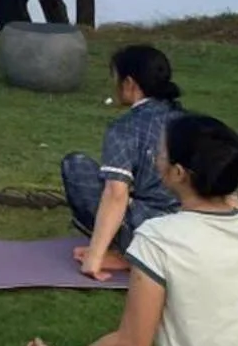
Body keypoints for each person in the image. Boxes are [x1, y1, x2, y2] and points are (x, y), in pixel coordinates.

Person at [22, 111, 238, 346]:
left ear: (178, 173)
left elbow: (131, 345)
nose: (154, 158)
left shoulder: (158, 238)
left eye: (159, 153)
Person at [63, 44, 184, 281]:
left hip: (148, 231)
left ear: (129, 83)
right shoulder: (194, 122)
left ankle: (128, 254)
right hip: (190, 231)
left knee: (75, 165)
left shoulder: (125, 128)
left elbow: (115, 194)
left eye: (115, 79)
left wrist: (94, 259)